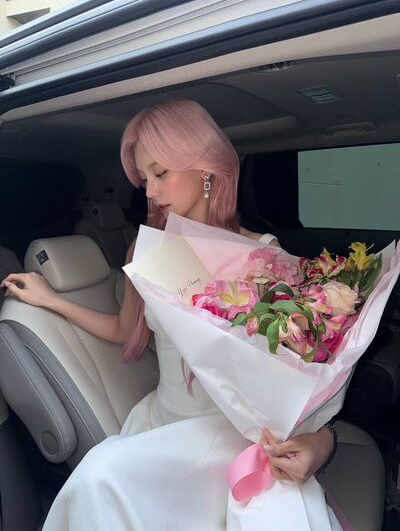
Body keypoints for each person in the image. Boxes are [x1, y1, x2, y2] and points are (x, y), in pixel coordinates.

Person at [1, 99, 336, 530]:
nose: (150, 192)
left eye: (160, 174)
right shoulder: (149, 250)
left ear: (207, 169)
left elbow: (299, 370)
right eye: (144, 179)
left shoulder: (265, 256)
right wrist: (53, 300)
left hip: (238, 433)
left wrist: (321, 441)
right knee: (99, 477)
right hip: (166, 423)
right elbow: (124, 329)